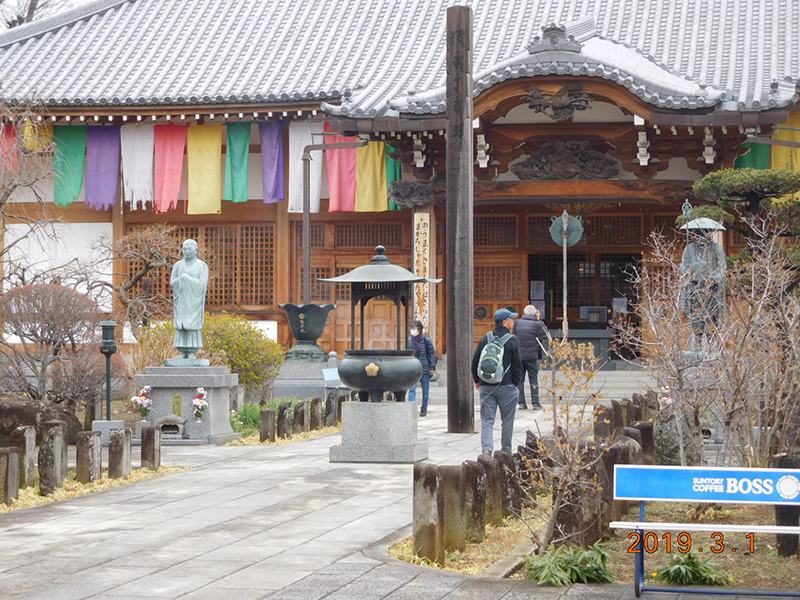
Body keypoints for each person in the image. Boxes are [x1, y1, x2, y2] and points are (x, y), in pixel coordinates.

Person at [472, 308, 522, 456]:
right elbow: (517, 365)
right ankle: (506, 451)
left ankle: (486, 450)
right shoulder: (512, 341)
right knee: (507, 421)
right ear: (505, 322)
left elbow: (475, 362)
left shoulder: (485, 338)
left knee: (487, 421)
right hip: (506, 386)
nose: (513, 322)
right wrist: (514, 383)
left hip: (487, 386)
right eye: (511, 319)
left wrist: (478, 380)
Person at [679, 224, 726, 349]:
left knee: (711, 318)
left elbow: (722, 268)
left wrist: (714, 277)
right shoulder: (689, 249)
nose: (700, 236)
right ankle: (697, 344)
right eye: (698, 233)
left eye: (704, 233)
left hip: (712, 288)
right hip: (695, 287)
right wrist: (689, 271)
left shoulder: (716, 248)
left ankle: (711, 345)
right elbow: (683, 267)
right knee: (696, 317)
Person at [170, 239, 209, 359]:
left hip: (194, 302)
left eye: (190, 249)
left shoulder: (202, 266)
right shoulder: (177, 265)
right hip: (181, 301)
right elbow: (172, 283)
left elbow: (202, 286)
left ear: (196, 250)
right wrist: (182, 280)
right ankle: (182, 352)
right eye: (184, 249)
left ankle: (192, 352)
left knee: (192, 326)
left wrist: (186, 279)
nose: (186, 252)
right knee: (181, 326)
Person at [513, 305, 551, 411]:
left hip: (519, 355)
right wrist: (538, 319)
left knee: (520, 380)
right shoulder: (537, 323)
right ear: (535, 313)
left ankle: (521, 403)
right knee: (533, 378)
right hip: (531, 355)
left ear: (524, 312)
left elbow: (515, 332)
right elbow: (543, 333)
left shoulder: (517, 323)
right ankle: (535, 403)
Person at [407, 320, 437, 416]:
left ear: (419, 330)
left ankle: (424, 408)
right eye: (411, 329)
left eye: (414, 329)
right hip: (412, 368)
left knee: (425, 390)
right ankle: (412, 407)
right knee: (412, 389)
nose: (412, 331)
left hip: (425, 367)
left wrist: (432, 367)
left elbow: (432, 354)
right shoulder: (409, 340)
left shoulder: (426, 340)